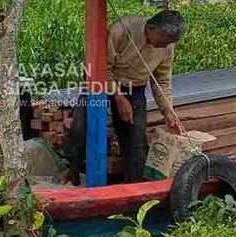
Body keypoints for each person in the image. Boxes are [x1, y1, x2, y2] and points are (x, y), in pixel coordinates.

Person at [66, 10, 187, 184]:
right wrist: (118, 97)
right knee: (81, 126)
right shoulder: (121, 30)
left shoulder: (167, 46)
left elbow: (162, 79)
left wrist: (167, 109)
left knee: (136, 139)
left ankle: (135, 185)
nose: (167, 45)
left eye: (171, 42)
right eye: (166, 40)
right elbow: (103, 67)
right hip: (100, 82)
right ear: (152, 28)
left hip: (134, 88)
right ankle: (73, 169)